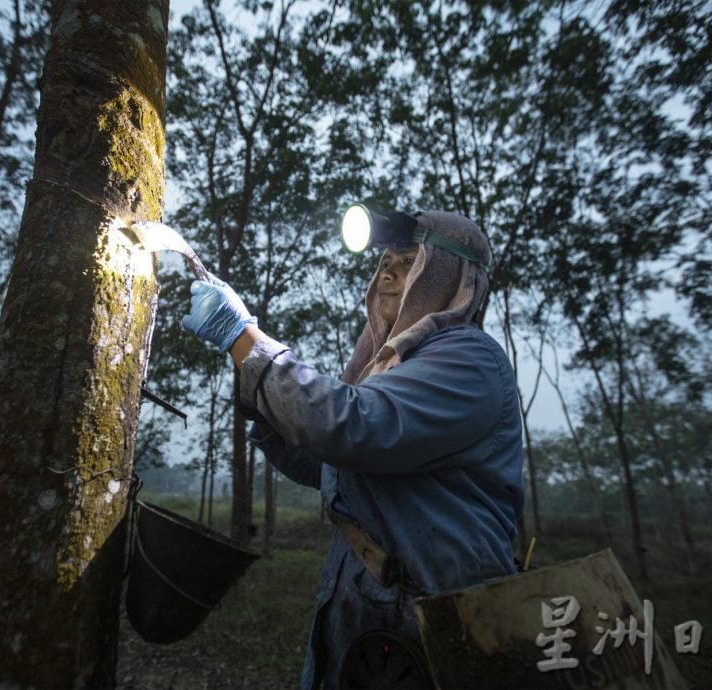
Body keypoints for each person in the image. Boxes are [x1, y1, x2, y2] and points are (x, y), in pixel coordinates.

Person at [182, 209, 524, 689]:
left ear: (450, 276)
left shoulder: (470, 358)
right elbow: (327, 464)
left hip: (440, 609)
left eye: (407, 261)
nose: (386, 272)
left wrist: (245, 340)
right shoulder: (391, 370)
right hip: (363, 598)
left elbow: (353, 428)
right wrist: (259, 395)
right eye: (384, 262)